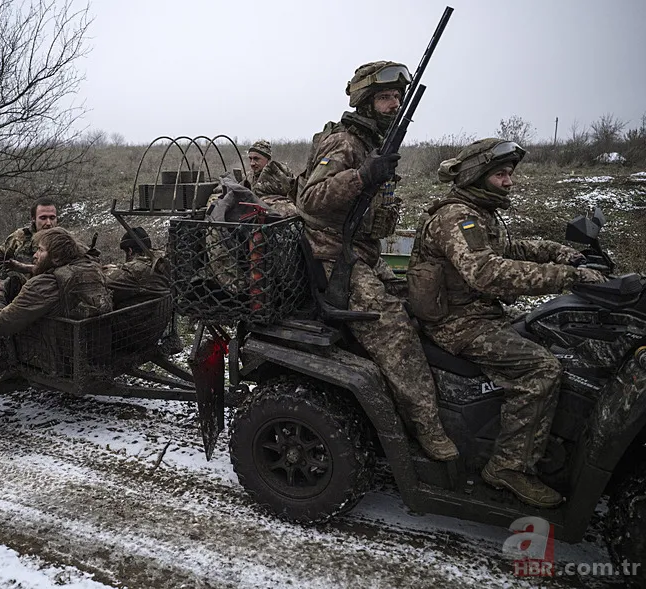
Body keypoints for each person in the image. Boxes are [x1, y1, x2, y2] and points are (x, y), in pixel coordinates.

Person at [406, 138, 606, 507]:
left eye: (509, 174)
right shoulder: (458, 217)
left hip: (480, 313)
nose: (509, 182)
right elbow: (485, 272)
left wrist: (560, 252)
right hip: (457, 322)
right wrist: (566, 277)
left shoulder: (481, 213)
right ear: (479, 176)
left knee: (557, 339)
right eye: (501, 174)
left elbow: (506, 249)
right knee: (541, 370)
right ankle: (507, 467)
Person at [295, 61, 458, 461]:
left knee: (423, 300)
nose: (394, 104)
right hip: (331, 254)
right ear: (366, 102)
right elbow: (309, 201)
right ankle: (427, 429)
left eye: (398, 97)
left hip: (362, 253)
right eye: (385, 97)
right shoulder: (346, 143)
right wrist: (362, 176)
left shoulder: (374, 143)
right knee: (394, 329)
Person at [0, 228, 112, 336]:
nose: (35, 255)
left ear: (56, 257)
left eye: (40, 250)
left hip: (50, 355)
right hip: (90, 346)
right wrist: (25, 268)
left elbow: (0, 325)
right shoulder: (92, 268)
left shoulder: (43, 285)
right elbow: (58, 270)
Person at [103, 227, 170, 308]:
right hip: (160, 314)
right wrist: (119, 267)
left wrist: (102, 270)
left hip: (139, 318)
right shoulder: (160, 261)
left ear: (130, 251)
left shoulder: (134, 271)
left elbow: (105, 282)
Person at [245, 140, 296, 217]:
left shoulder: (280, 175)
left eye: (256, 159)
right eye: (250, 159)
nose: (252, 163)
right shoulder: (248, 177)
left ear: (268, 160)